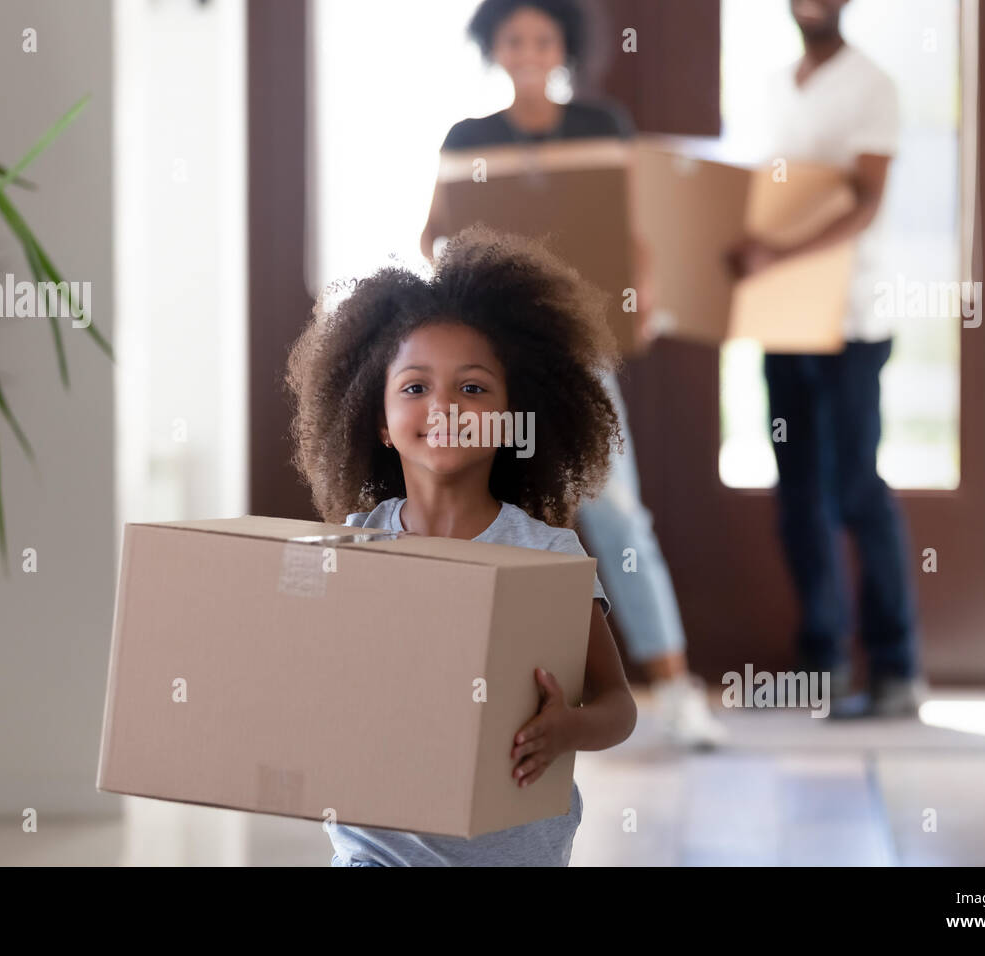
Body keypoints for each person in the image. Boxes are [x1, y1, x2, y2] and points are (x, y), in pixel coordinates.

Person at [421, 0, 727, 748]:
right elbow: (433, 237)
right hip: (492, 353)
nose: (528, 50)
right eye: (514, 38)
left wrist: (641, 292)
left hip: (580, 349)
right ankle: (470, 689)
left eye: (542, 38)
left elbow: (631, 235)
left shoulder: (600, 126)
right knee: (486, 511)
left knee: (618, 515)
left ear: (564, 48)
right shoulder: (469, 139)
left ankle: (672, 689)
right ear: (494, 47)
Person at [285, 225, 637, 865]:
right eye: (415, 387)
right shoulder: (352, 548)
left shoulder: (547, 555)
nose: (443, 406)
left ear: (512, 417)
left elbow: (619, 706)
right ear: (381, 423)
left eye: (472, 388)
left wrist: (569, 728)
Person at [728, 0, 926, 718]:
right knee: (798, 496)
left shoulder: (873, 86)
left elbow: (865, 201)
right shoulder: (778, 84)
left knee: (854, 489)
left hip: (852, 323)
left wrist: (782, 252)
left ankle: (898, 666)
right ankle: (823, 662)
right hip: (785, 323)